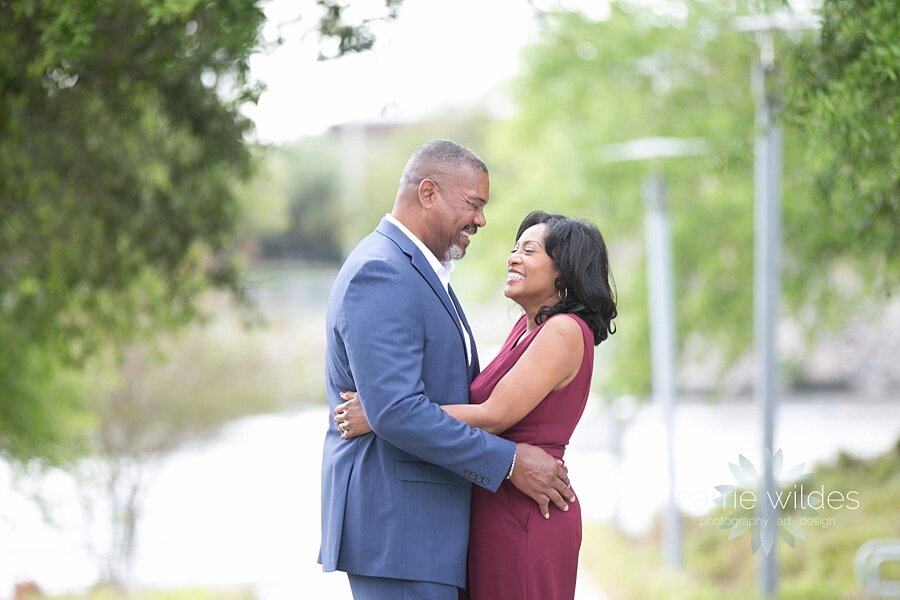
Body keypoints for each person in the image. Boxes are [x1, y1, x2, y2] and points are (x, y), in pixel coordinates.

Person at [319, 140, 576, 600]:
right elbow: (397, 412)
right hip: (402, 533)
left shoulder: (417, 270)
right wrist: (510, 462)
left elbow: (396, 407)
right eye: (474, 204)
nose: (481, 220)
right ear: (429, 193)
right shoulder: (381, 272)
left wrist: (379, 412)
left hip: (429, 537)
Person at [336, 209, 617, 600]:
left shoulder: (564, 331)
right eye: (514, 248)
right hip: (495, 502)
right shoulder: (526, 328)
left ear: (563, 273)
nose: (513, 258)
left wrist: (382, 413)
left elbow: (491, 416)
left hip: (527, 512)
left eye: (529, 251)